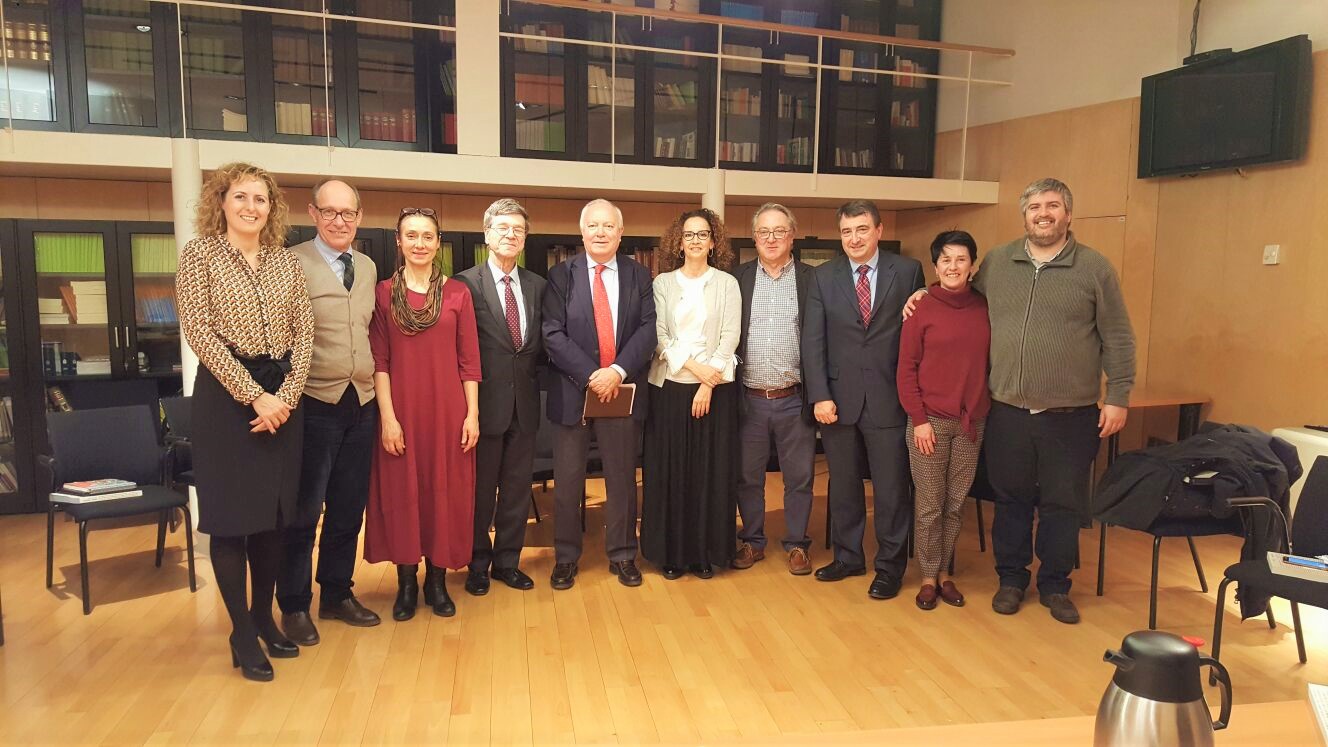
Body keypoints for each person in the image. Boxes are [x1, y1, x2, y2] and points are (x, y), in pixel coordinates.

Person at [904, 178, 1135, 624]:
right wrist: (922, 295)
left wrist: (1119, 394)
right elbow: (959, 296)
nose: (1043, 213)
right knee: (1009, 499)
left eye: (1052, 206)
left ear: (1068, 214)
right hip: (1006, 410)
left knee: (1063, 502)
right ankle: (1011, 580)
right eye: (1034, 207)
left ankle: (1054, 585)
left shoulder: (1095, 269)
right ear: (1024, 215)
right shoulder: (998, 263)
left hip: (1070, 414)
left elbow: (1119, 336)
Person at [176, 162, 314, 682]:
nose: (251, 207)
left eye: (260, 199)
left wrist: (286, 396)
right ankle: (240, 630)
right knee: (233, 522)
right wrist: (255, 396)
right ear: (222, 202)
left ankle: (263, 618)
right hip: (226, 402)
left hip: (284, 399)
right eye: (241, 197)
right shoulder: (201, 256)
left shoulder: (286, 262)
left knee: (276, 520)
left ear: (271, 208)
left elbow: (305, 332)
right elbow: (199, 332)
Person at [802, 199, 925, 600]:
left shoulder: (907, 272)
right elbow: (813, 341)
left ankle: (890, 567)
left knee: (891, 489)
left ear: (879, 230)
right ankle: (848, 556)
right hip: (837, 400)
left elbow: (918, 332)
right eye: (846, 231)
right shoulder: (823, 277)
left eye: (861, 229)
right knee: (844, 486)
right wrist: (819, 394)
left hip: (890, 398)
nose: (854, 238)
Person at [364, 207, 481, 619]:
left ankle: (437, 581)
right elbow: (379, 361)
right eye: (411, 235)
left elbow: (469, 360)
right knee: (402, 494)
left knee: (442, 494)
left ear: (438, 243)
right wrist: (388, 418)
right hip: (402, 410)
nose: (419, 243)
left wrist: (472, 415)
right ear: (399, 241)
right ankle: (406, 583)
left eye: (427, 236)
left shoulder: (457, 293)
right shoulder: (382, 293)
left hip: (448, 412)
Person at [278, 179, 380, 646]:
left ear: (359, 217)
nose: (340, 221)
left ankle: (337, 593)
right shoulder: (290, 263)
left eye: (348, 213)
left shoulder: (368, 266)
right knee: (303, 513)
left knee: (347, 509)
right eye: (330, 212)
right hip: (312, 405)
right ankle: (295, 606)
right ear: (313, 214)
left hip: (361, 403)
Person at [542, 199, 657, 590]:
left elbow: (648, 330)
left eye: (608, 226)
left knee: (622, 480)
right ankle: (566, 557)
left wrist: (617, 372)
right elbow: (552, 334)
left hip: (621, 393)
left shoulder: (640, 275)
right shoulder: (561, 276)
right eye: (593, 226)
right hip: (574, 393)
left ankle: (624, 554)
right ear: (582, 232)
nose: (601, 232)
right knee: (569, 482)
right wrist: (593, 375)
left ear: (620, 233)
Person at [641, 208, 741, 579]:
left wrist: (706, 383)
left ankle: (703, 552)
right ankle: (671, 553)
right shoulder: (663, 283)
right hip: (668, 389)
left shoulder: (727, 284)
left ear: (714, 242)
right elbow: (661, 337)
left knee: (708, 474)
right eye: (689, 235)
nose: (695, 240)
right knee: (671, 473)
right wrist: (695, 370)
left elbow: (730, 337)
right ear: (678, 242)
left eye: (703, 234)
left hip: (714, 393)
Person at [455, 199, 545, 596]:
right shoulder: (462, 285)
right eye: (503, 228)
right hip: (481, 408)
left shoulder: (538, 286)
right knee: (479, 491)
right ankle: (477, 562)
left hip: (524, 407)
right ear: (487, 234)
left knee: (515, 490)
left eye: (518, 230)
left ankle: (508, 562)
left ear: (525, 238)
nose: (511, 235)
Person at [896, 230, 990, 610]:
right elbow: (906, 369)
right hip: (928, 423)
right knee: (930, 504)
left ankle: (946, 572)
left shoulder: (985, 306)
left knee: (955, 504)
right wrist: (918, 420)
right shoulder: (921, 308)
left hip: (972, 423)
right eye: (945, 260)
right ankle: (928, 576)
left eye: (961, 259)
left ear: (972, 266)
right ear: (935, 267)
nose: (953, 266)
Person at [732, 203, 817, 575]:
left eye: (779, 231)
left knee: (799, 478)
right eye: (764, 232)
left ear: (792, 236)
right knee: (747, 477)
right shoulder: (738, 279)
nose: (771, 238)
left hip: (793, 398)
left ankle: (797, 544)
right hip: (749, 398)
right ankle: (752, 542)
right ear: (754, 238)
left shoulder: (812, 280)